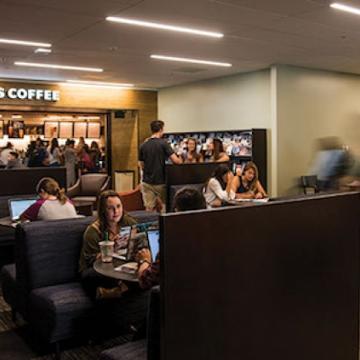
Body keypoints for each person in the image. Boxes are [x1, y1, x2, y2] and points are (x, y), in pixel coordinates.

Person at [136, 188, 207, 290]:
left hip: (179, 301)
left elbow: (145, 280)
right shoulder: (215, 234)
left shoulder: (173, 242)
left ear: (177, 211)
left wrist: (145, 260)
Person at [79, 190, 138, 299]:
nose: (116, 211)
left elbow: (139, 239)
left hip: (120, 265)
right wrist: (111, 249)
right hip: (95, 269)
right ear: (103, 211)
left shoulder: (128, 222)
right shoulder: (93, 231)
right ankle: (121, 289)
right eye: (110, 208)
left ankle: (115, 291)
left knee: (142, 272)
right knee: (94, 276)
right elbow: (91, 261)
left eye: (119, 206)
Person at [138, 120, 182, 212]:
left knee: (149, 208)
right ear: (161, 129)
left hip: (147, 182)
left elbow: (141, 164)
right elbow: (176, 161)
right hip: (161, 181)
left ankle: (151, 225)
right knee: (164, 207)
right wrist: (180, 156)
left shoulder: (143, 145)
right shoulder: (163, 143)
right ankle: (163, 225)